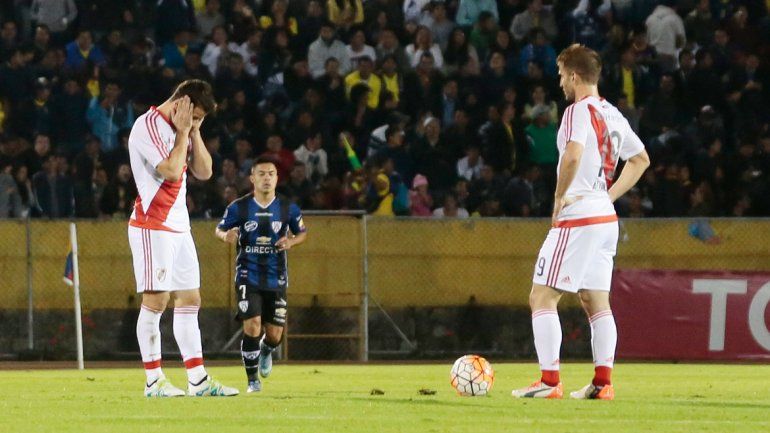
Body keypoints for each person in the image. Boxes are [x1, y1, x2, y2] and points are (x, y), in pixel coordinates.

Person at [511, 44, 650, 400]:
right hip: (605, 218)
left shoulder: (577, 111)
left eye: (561, 76)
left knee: (541, 295)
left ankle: (549, 381)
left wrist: (559, 198)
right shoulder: (614, 114)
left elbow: (573, 154)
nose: (560, 84)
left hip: (578, 215)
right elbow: (640, 161)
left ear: (574, 76)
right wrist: (608, 197)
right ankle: (603, 383)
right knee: (595, 300)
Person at [127, 79, 238, 397]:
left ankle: (198, 380)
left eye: (201, 119)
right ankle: (153, 381)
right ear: (179, 104)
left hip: (179, 226)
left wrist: (194, 130)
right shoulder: (146, 126)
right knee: (156, 301)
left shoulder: (187, 127)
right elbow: (173, 171)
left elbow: (204, 172)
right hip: (153, 225)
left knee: (190, 300)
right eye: (196, 116)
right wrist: (181, 132)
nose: (196, 123)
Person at [215, 157, 308, 392]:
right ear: (252, 178)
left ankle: (267, 349)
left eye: (271, 174)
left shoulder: (288, 208)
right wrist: (225, 236)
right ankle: (252, 381)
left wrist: (292, 242)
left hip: (276, 277)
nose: (267, 178)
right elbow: (219, 228)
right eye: (262, 173)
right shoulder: (239, 207)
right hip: (248, 274)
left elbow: (302, 233)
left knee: (275, 335)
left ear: (277, 178)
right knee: (253, 325)